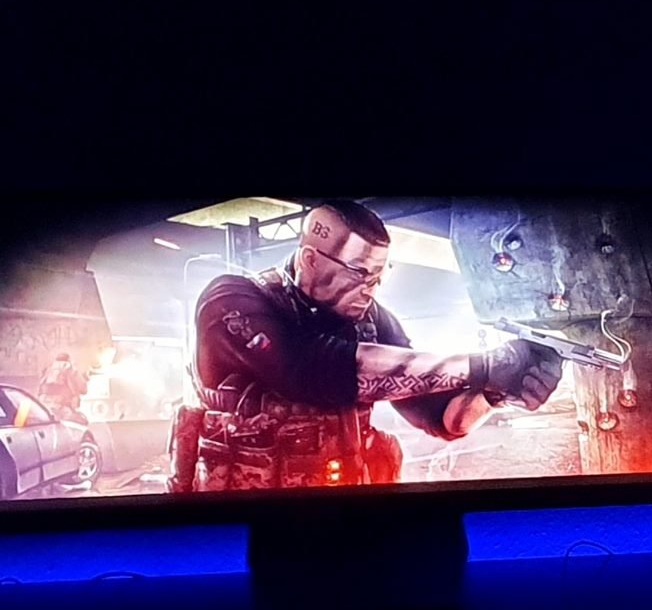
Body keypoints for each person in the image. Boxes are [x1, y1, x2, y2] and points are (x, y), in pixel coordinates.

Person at [174, 200, 562, 491]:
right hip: (247, 521)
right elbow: (312, 371)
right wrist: (483, 365)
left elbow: (440, 417)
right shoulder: (232, 300)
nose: (372, 288)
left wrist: (494, 394)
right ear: (310, 260)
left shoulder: (372, 320)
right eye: (360, 273)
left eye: (379, 275)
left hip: (348, 513)